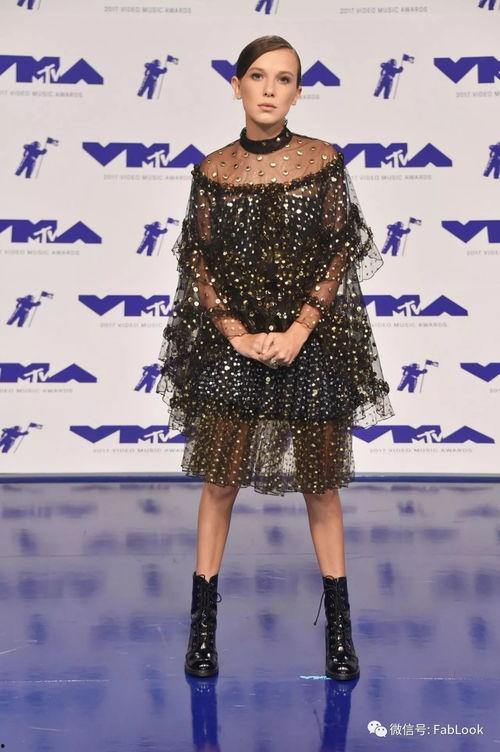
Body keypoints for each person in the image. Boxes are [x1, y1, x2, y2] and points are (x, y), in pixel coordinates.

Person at [156, 35, 395, 682]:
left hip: (309, 344)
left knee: (321, 486)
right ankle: (202, 627)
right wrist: (236, 334)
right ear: (236, 85)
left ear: (297, 92)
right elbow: (199, 262)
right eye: (258, 76)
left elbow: (339, 251)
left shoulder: (322, 160)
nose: (269, 89)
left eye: (283, 79)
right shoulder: (211, 171)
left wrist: (299, 329)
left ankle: (339, 632)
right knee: (219, 484)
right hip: (235, 345)